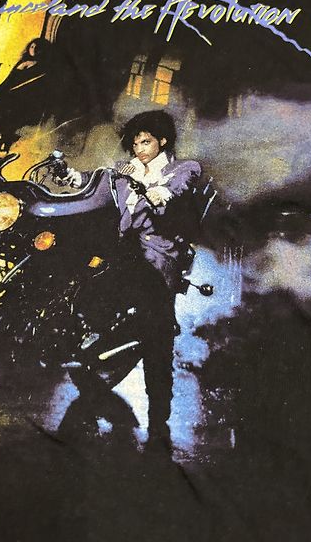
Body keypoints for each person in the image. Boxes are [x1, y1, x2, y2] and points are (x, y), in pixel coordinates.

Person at [59, 110, 202, 443]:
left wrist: (161, 192)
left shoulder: (182, 168)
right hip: (122, 253)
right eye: (135, 143)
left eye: (146, 142)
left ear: (162, 141)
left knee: (157, 336)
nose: (140, 149)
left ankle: (159, 416)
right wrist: (71, 176)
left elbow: (178, 187)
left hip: (157, 256)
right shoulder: (125, 171)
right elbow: (95, 183)